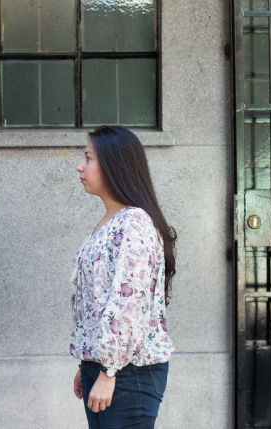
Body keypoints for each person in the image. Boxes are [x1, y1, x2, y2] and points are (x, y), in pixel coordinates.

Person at [70, 126, 176, 429]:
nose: (80, 166)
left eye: (88, 158)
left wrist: (109, 371)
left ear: (114, 165)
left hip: (129, 372)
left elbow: (127, 303)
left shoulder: (134, 222)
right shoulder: (112, 221)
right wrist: (89, 362)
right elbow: (97, 301)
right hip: (108, 366)